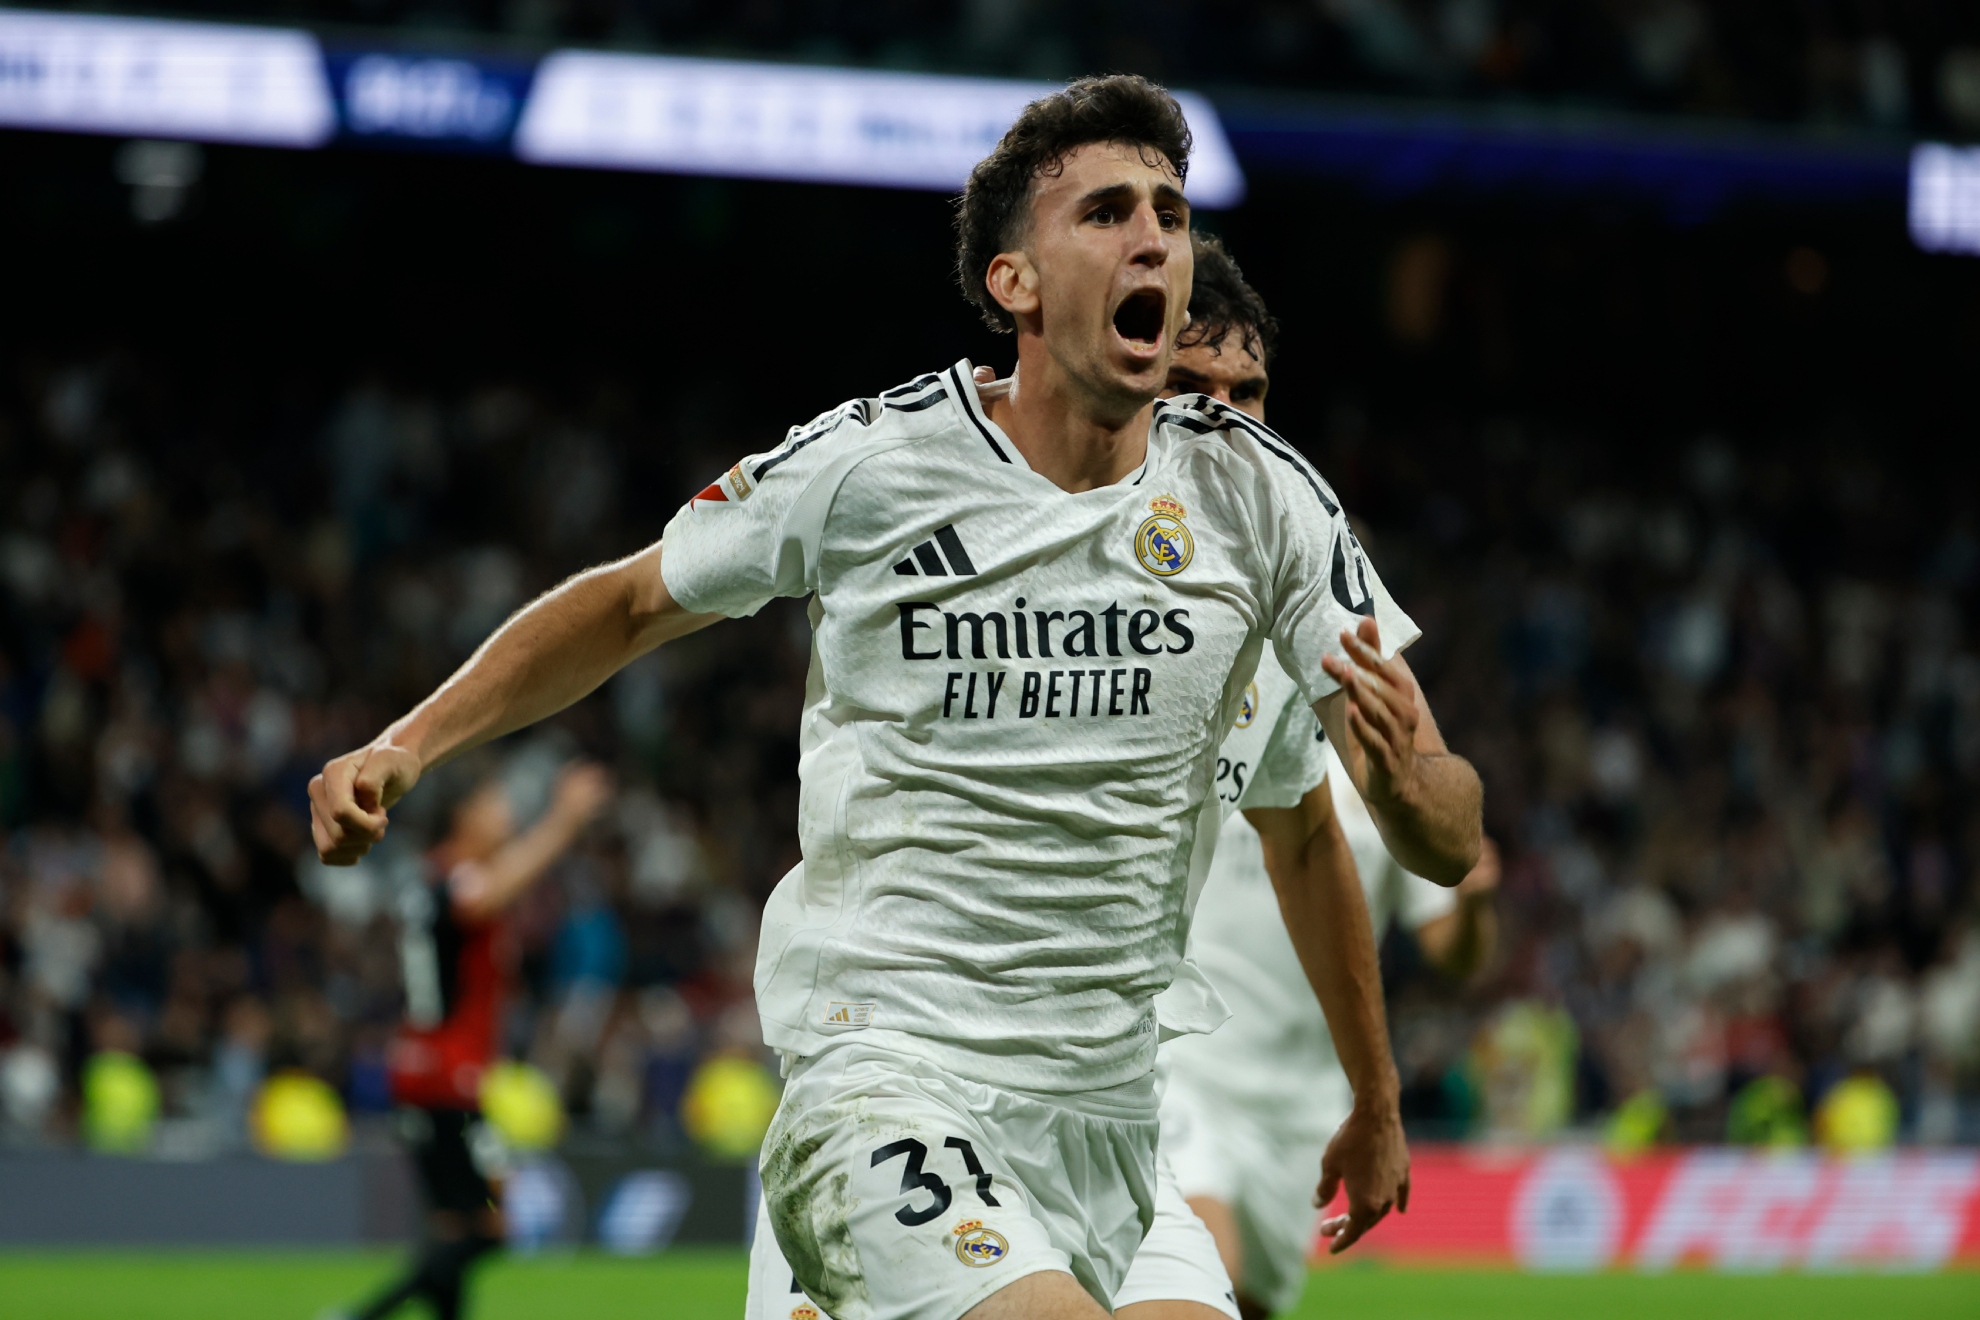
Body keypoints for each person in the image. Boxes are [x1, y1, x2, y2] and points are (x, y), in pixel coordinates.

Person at [310, 74, 1482, 1320]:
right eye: (1105, 212)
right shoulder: (877, 461)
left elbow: (1436, 834)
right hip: (887, 1076)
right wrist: (408, 743)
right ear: (1014, 285)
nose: (1153, 237)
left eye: (1172, 213)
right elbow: (634, 599)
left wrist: (1415, 797)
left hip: (1113, 1128)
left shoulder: (1262, 505)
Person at [1146, 235, 1502, 1319]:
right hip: (1173, 1066)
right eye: (1189, 387)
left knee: (1245, 1303)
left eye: (1247, 393)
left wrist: (1377, 1091)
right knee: (1199, 1287)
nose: (1223, 419)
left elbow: (1430, 909)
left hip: (1298, 1101)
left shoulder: (1306, 709)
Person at [340, 757, 613, 1320]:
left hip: (420, 1067)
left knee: (450, 1226)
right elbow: (487, 895)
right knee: (494, 1227)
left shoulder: (426, 878)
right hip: (449, 1075)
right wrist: (564, 818)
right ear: (463, 817)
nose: (506, 814)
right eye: (495, 805)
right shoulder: (460, 879)